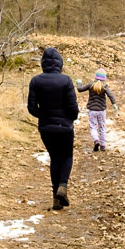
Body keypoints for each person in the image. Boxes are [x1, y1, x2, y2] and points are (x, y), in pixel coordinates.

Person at [27, 46, 79, 211]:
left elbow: (31, 108)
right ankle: (62, 186)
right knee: (67, 156)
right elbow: (73, 108)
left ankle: (56, 199)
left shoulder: (35, 81)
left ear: (43, 63)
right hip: (64, 127)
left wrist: (44, 116)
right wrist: (71, 118)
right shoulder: (66, 80)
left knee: (55, 158)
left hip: (46, 128)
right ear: (59, 63)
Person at [77, 68, 118, 152]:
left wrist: (79, 83)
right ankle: (102, 145)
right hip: (102, 110)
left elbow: (80, 89)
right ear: (104, 78)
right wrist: (114, 104)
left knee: (93, 126)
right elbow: (111, 95)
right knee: (102, 127)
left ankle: (96, 140)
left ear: (95, 77)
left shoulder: (90, 85)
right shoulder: (105, 86)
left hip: (92, 110)